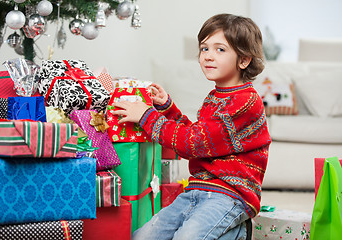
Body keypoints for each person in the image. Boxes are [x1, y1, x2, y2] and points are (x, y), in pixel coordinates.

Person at [111, 13, 271, 240]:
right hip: (197, 189)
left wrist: (146, 116)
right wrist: (168, 109)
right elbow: (200, 138)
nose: (208, 56)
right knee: (142, 237)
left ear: (244, 60)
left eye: (220, 50)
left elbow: (192, 143)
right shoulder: (215, 97)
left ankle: (237, 232)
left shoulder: (245, 102)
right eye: (204, 48)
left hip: (231, 194)